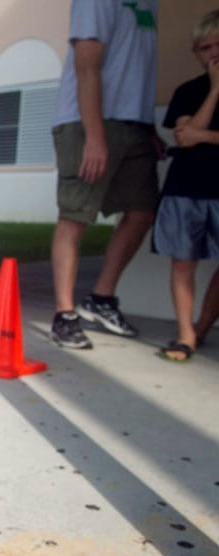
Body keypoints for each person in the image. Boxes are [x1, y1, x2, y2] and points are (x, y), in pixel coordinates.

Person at [48, 0, 162, 349]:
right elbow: (87, 65)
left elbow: (138, 67)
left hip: (135, 122)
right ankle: (64, 315)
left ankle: (101, 297)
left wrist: (148, 125)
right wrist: (94, 136)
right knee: (75, 216)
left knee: (143, 211)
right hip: (87, 121)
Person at [153, 9, 219, 362]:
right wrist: (216, 90)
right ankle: (185, 335)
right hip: (186, 187)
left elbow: (195, 134)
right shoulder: (187, 91)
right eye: (205, 47)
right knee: (183, 263)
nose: (213, 53)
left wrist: (203, 135)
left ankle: (204, 325)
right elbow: (184, 135)